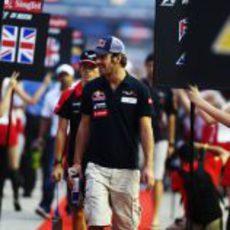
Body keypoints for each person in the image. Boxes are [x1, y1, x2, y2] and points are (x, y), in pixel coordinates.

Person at [71, 35, 155, 230]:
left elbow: (146, 129)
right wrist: (76, 162)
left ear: (117, 58)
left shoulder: (140, 89)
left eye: (102, 57)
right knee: (96, 223)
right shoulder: (91, 88)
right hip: (96, 167)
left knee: (126, 226)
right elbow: (84, 127)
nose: (97, 61)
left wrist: (149, 166)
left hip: (127, 169)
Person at [52, 50, 99, 230]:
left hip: (101, 161)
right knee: (77, 209)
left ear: (99, 69)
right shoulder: (69, 95)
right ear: (79, 69)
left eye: (91, 67)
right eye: (84, 66)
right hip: (74, 162)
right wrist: (57, 163)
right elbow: (61, 131)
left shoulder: (109, 95)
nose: (87, 70)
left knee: (97, 212)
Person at [0, 71, 51, 214]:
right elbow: (2, 111)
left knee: (14, 166)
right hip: (4, 124)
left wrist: (44, 85)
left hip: (10, 127)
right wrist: (9, 89)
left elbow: (32, 101)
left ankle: (16, 198)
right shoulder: (7, 84)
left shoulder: (14, 83)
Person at [35, 64, 75, 218]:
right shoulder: (51, 95)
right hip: (55, 138)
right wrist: (40, 138)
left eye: (67, 74)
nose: (64, 77)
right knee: (51, 173)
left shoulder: (78, 91)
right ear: (58, 77)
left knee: (73, 173)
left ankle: (72, 206)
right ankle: (45, 205)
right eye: (62, 74)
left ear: (72, 76)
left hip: (74, 138)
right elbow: (45, 119)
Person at [142, 53, 176, 229]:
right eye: (150, 65)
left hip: (161, 137)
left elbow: (172, 116)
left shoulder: (166, 88)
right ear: (145, 66)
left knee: (158, 176)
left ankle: (155, 216)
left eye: (155, 65)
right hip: (140, 137)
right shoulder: (139, 85)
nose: (152, 68)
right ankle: (133, 211)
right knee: (134, 174)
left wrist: (171, 141)